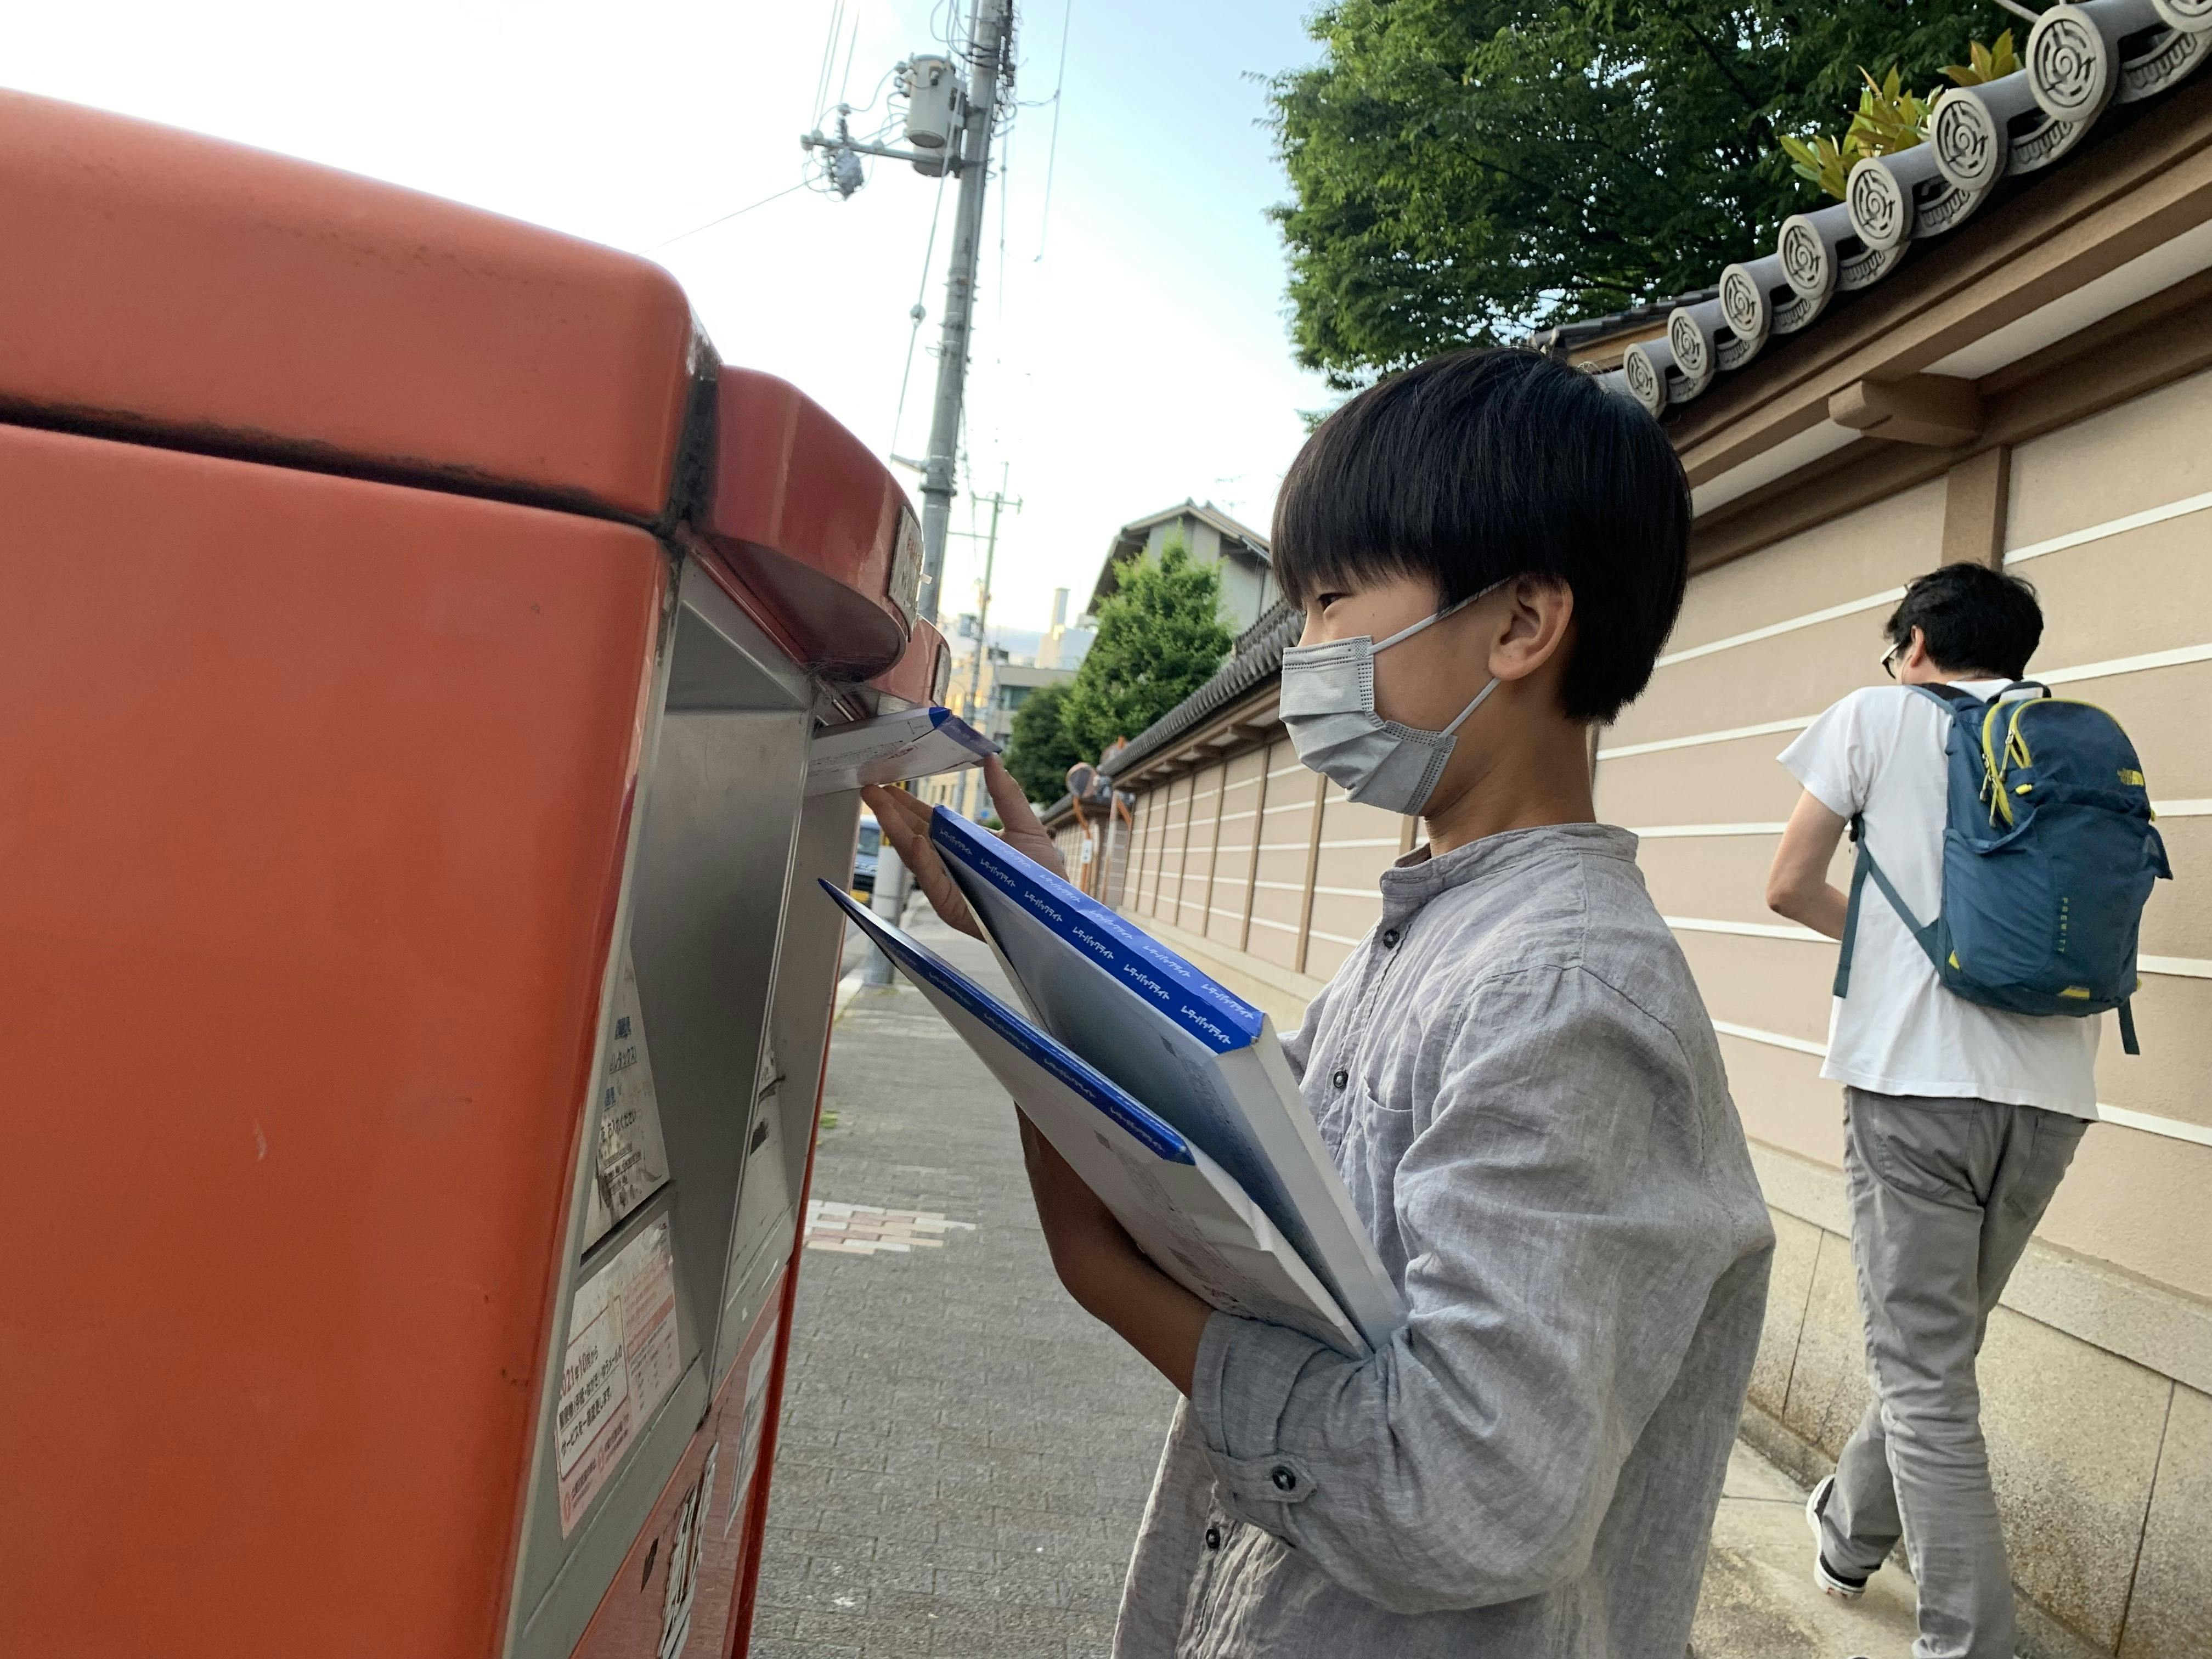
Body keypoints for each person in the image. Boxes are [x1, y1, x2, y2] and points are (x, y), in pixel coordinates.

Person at [868, 348, 1774, 1659]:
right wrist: (1045, 936)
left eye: (1334, 600)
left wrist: (1107, 1281)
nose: (1304, 654)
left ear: (1521, 624)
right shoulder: (1445, 929)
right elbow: (1261, 1175)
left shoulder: (1566, 997)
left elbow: (1461, 1496)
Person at [1764, 562, 2092, 1659]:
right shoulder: (2072, 740)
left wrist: (1906, 952)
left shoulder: (1875, 716)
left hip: (1917, 1085)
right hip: (2053, 1097)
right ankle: (1849, 1534)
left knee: (1925, 1374)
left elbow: (1789, 882)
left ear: (1914, 645)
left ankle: (1968, 1644)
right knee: (1937, 1360)